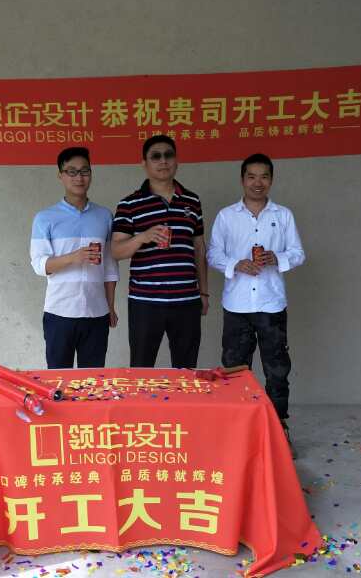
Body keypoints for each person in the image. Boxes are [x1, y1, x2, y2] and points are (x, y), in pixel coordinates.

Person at [207, 153, 305, 453]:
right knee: (235, 369)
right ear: (242, 180)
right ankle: (237, 428)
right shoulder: (227, 216)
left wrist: (279, 258)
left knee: (277, 369)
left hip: (271, 304)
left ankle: (279, 427)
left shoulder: (283, 215)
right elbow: (213, 254)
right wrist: (236, 264)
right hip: (237, 306)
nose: (257, 182)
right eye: (251, 176)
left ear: (271, 180)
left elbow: (298, 253)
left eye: (264, 176)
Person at [111, 135, 208, 368]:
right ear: (144, 164)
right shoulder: (130, 204)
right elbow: (115, 251)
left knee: (186, 370)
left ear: (176, 161)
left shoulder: (192, 201)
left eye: (168, 155)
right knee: (142, 369)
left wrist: (204, 293)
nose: (163, 161)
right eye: (156, 156)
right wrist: (143, 237)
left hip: (187, 300)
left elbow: (199, 248)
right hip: (145, 302)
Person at [30, 147, 119, 368]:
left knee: (93, 380)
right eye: (71, 171)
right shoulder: (45, 218)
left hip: (97, 313)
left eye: (84, 171)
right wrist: (73, 257)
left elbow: (110, 266)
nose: (79, 177)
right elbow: (39, 265)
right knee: (59, 378)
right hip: (59, 312)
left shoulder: (104, 216)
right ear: (60, 175)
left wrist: (110, 306)